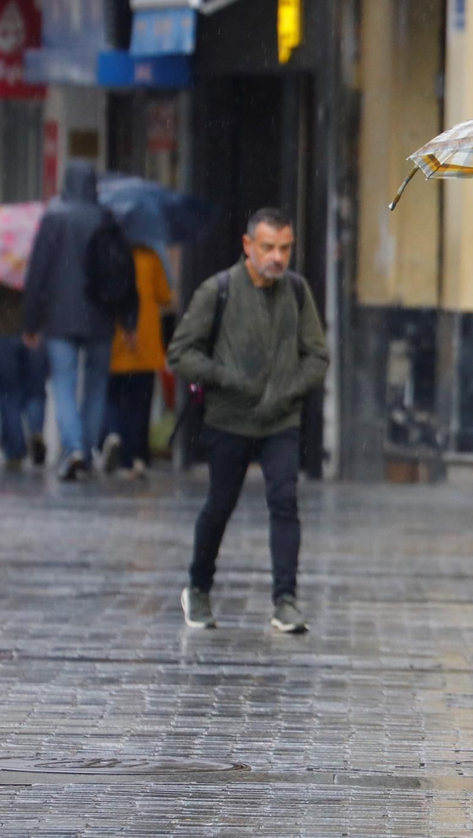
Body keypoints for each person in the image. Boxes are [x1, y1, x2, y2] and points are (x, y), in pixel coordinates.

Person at [168, 208, 328, 635]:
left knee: (284, 502)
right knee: (220, 504)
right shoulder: (216, 290)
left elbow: (318, 355)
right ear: (248, 246)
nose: (277, 257)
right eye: (268, 247)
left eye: (285, 248)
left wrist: (287, 391)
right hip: (229, 419)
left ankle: (285, 600)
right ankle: (198, 587)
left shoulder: (296, 291)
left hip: (281, 419)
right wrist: (226, 378)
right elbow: (180, 352)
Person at [23, 161, 134, 480]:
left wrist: (31, 322)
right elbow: (125, 272)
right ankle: (85, 449)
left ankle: (72, 448)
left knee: (63, 382)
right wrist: (128, 319)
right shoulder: (107, 218)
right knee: (97, 384)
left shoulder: (54, 218)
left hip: (60, 317)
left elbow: (37, 273)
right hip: (101, 314)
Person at [101, 246, 173, 480]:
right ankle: (137, 456)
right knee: (139, 404)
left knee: (113, 398)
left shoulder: (109, 256)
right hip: (145, 344)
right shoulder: (150, 257)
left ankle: (114, 439)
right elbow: (165, 295)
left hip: (115, 341)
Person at [0, 274, 48, 470]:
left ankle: (15, 451)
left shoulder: (1, 268)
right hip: (35, 332)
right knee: (36, 390)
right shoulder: (38, 263)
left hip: (3, 333)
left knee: (8, 394)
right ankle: (36, 432)